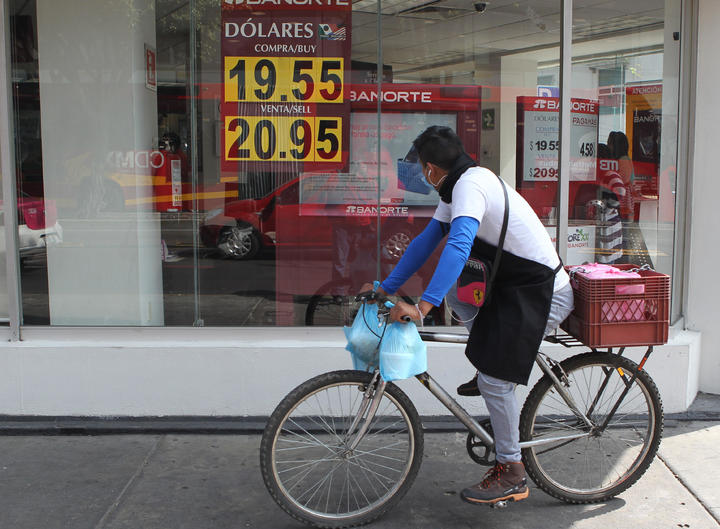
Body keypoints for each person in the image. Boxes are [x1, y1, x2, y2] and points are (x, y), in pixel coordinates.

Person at [361, 126, 574, 505]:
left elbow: (458, 246)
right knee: (459, 292)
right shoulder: (458, 184)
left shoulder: (470, 187)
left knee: (495, 381)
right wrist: (387, 287)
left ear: (430, 169)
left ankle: (512, 471)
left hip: (542, 294)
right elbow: (426, 241)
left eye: (418, 168)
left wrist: (423, 307)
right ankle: (490, 358)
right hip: (514, 288)